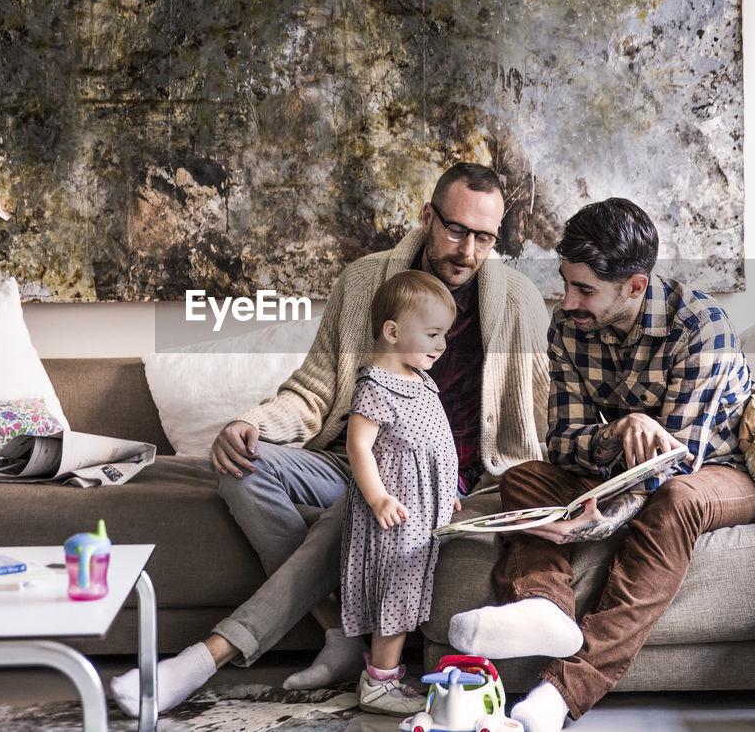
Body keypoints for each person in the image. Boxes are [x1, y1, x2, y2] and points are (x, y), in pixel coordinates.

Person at [110, 162, 551, 715]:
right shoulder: (366, 281)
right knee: (241, 464)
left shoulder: (518, 301)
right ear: (426, 216)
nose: (468, 249)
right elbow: (316, 389)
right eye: (457, 229)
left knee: (363, 511)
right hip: (354, 459)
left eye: (485, 237)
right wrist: (254, 424)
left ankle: (206, 657)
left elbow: (536, 412)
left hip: (452, 486)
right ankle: (339, 630)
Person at [448, 197, 755, 732]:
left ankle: (557, 695)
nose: (567, 301)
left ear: (635, 286)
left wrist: (604, 518)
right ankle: (543, 606)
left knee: (676, 502)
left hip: (717, 469)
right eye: (567, 283)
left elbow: (677, 466)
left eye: (584, 290)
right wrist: (619, 428)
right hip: (623, 465)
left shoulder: (702, 328)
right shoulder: (568, 325)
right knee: (522, 476)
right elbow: (564, 444)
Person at [340, 270, 461, 715]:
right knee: (397, 588)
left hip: (425, 507)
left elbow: (432, 447)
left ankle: (386, 674)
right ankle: (378, 684)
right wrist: (378, 498)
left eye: (444, 334)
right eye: (432, 334)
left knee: (412, 589)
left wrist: (445, 491)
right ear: (392, 332)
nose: (441, 345)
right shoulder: (376, 387)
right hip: (396, 514)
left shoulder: (420, 380)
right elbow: (359, 447)